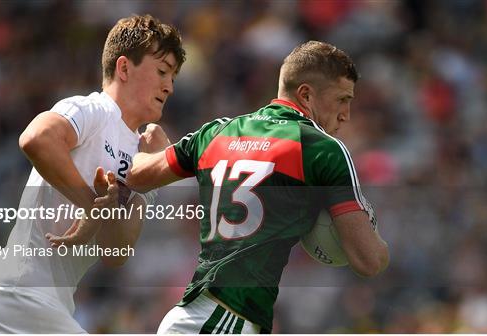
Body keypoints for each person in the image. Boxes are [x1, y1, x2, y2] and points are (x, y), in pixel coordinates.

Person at [127, 41, 389, 333]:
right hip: (224, 322)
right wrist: (374, 231)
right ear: (306, 95)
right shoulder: (322, 149)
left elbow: (137, 175)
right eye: (342, 99)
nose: (346, 114)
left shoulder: (217, 132)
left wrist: (153, 150)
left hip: (199, 318)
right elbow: (369, 260)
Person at [0, 14, 185, 333]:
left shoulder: (141, 153)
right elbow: (36, 139)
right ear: (124, 68)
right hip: (17, 297)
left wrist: (152, 172)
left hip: (40, 305)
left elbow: (117, 252)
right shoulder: (94, 110)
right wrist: (91, 207)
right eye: (162, 71)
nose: (169, 86)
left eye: (174, 78)